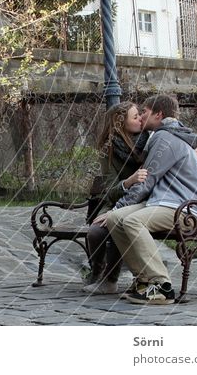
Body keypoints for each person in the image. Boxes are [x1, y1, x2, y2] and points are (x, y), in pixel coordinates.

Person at [94, 94, 197, 305]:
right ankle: (145, 281)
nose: (141, 116)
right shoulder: (160, 136)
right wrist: (114, 211)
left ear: (158, 115)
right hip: (164, 201)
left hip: (185, 208)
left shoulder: (165, 138)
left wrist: (116, 206)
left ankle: (161, 285)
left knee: (131, 220)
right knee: (115, 219)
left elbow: (147, 181)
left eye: (144, 112)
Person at [83, 102, 149, 294]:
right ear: (120, 123)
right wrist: (128, 182)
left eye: (139, 115)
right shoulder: (108, 149)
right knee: (95, 232)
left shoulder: (150, 139)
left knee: (118, 224)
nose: (140, 119)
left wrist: (192, 152)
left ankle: (111, 279)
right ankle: (97, 271)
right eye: (135, 117)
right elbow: (110, 190)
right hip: (116, 200)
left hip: (144, 201)